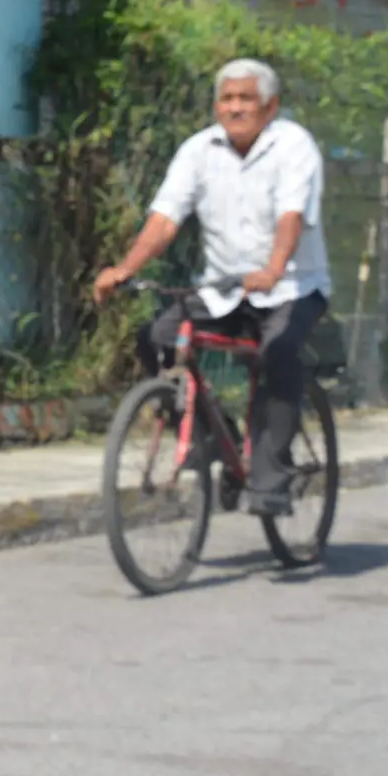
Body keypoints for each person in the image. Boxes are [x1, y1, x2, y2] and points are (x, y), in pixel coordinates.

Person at [91, 58, 330, 517]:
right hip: (223, 288)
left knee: (276, 353)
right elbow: (165, 220)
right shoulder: (198, 150)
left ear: (270, 106)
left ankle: (271, 478)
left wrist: (275, 267)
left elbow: (291, 216)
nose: (235, 107)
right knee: (157, 339)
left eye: (246, 99)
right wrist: (125, 267)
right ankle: (209, 437)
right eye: (227, 98)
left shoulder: (294, 146)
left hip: (291, 288)